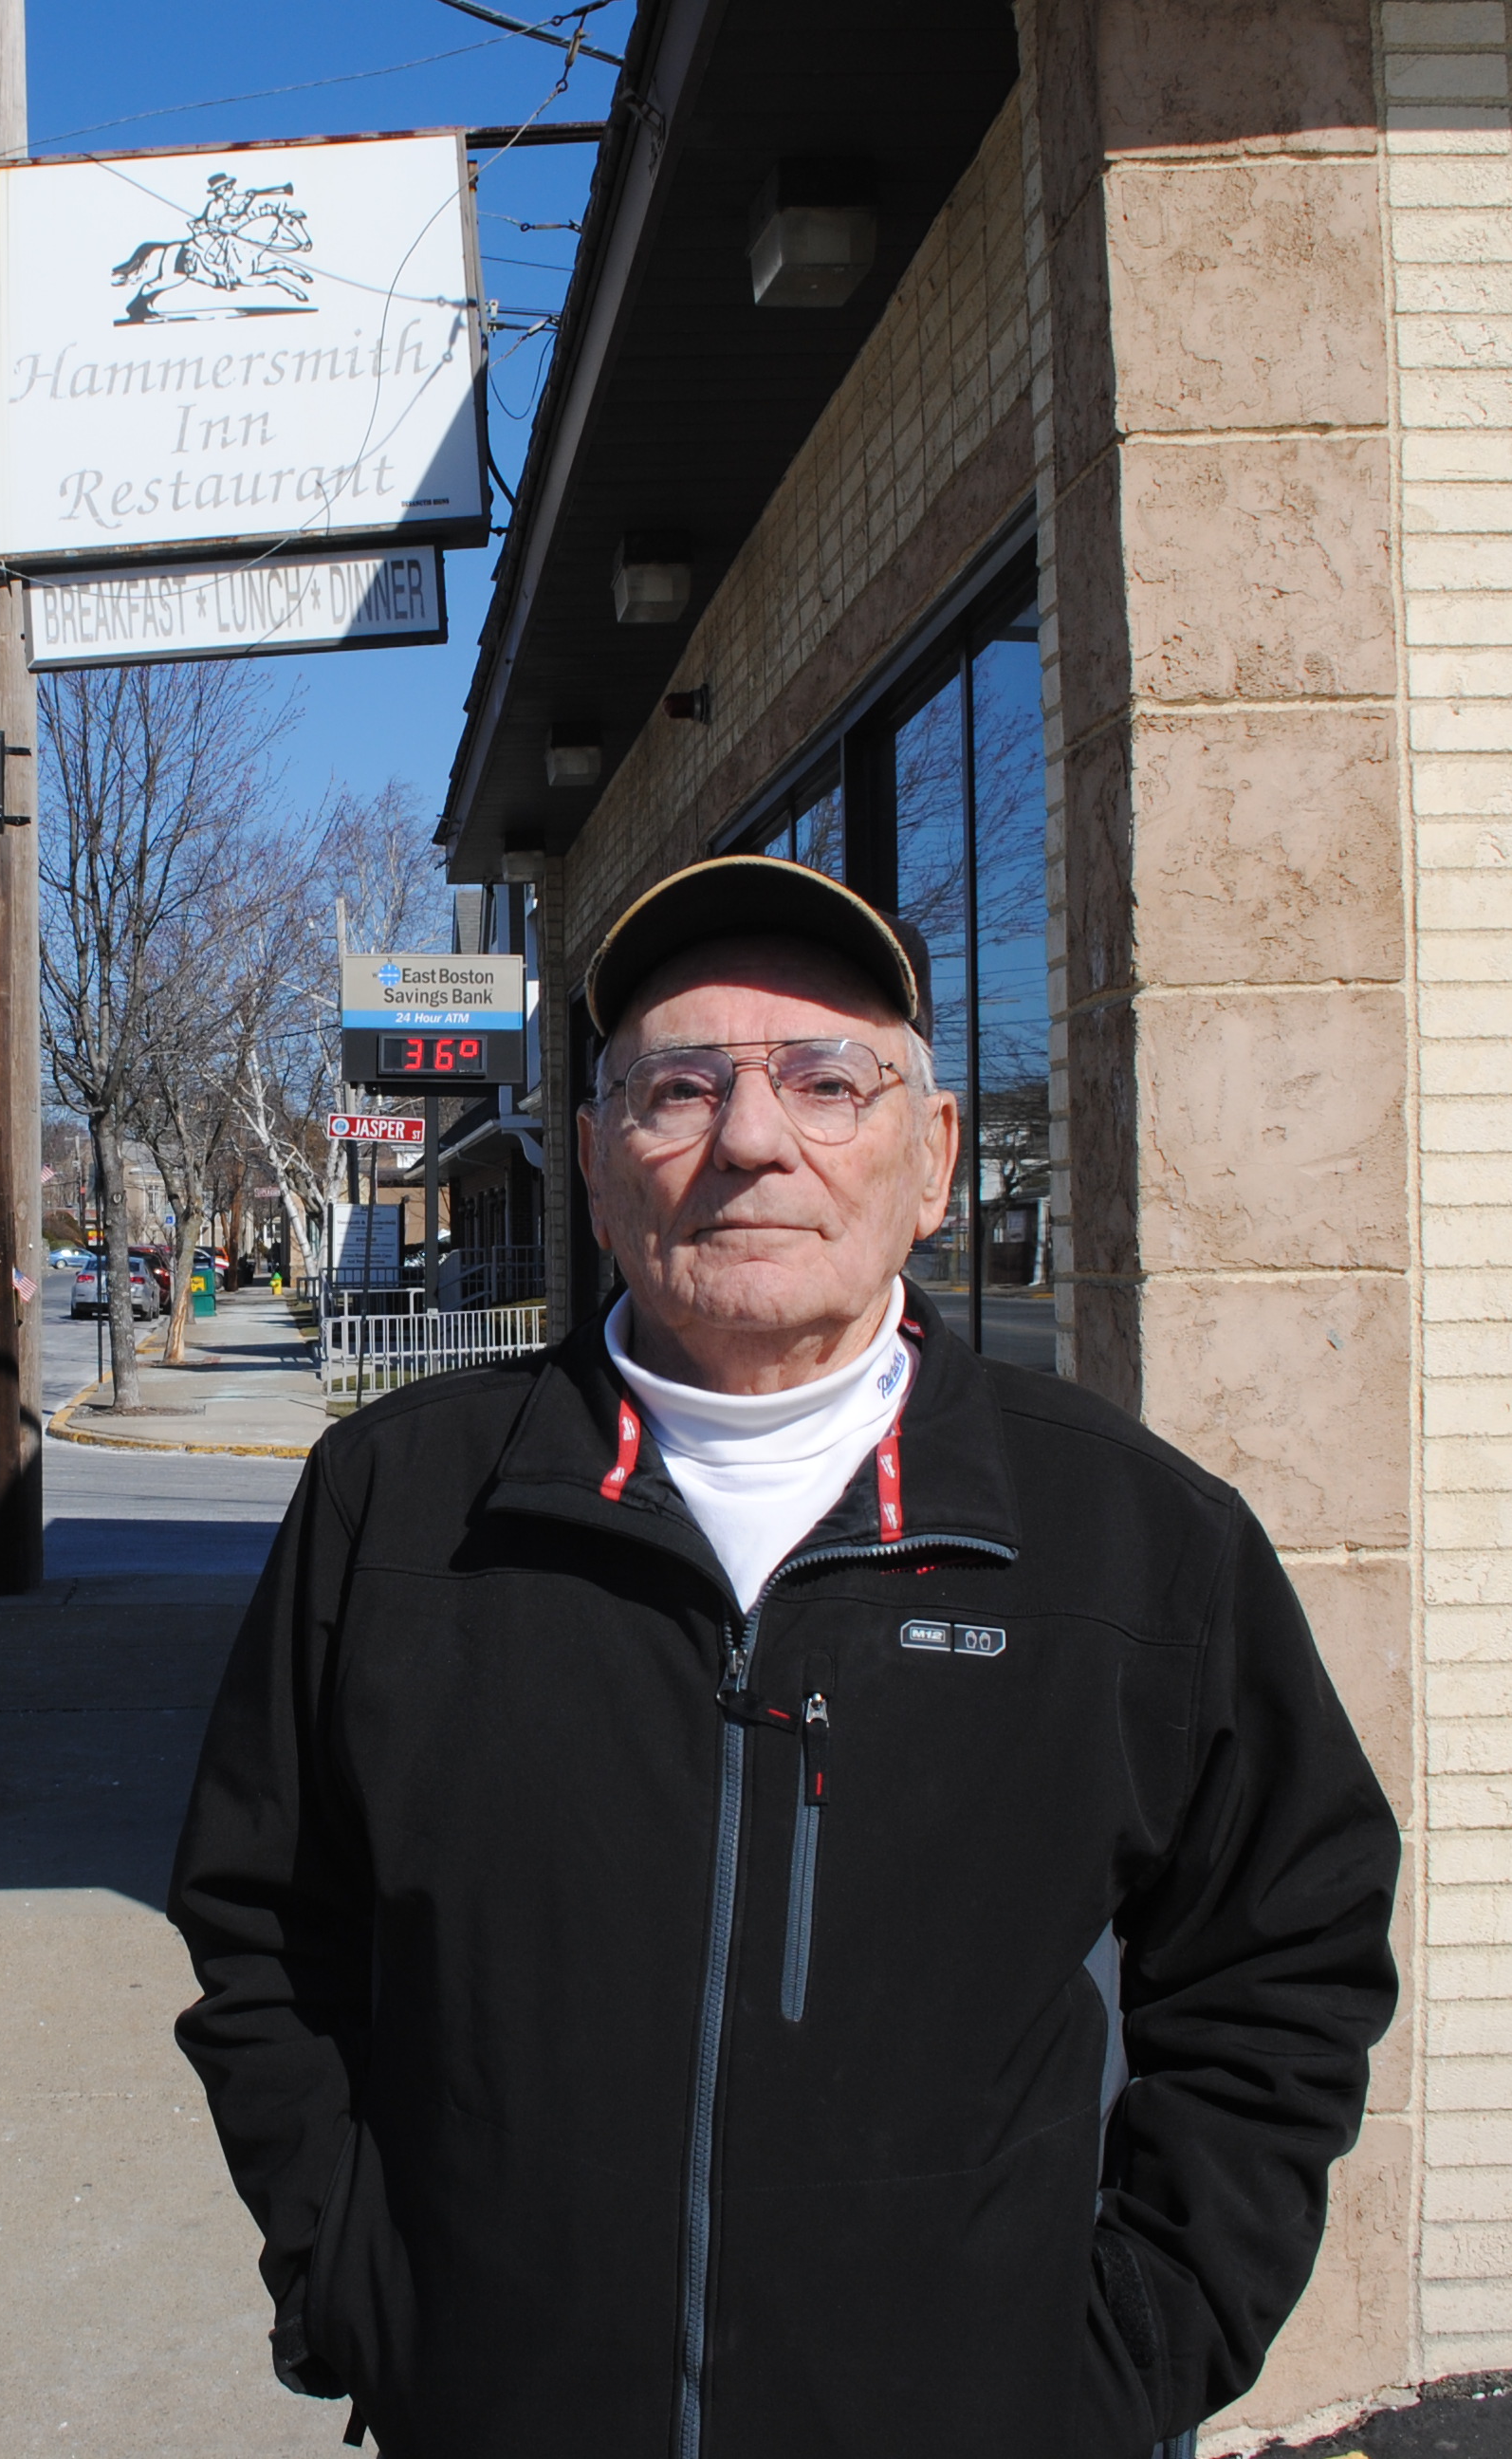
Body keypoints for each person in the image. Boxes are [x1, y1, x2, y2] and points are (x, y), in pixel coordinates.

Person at [167, 855, 1399, 2458]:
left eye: (830, 1080)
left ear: (933, 1158)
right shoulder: (400, 1509)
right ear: (597, 1171)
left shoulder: (1131, 1541)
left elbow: (1284, 1963)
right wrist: (362, 2289)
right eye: (680, 1088)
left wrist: (1123, 2357)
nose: (754, 1139)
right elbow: (264, 1926)